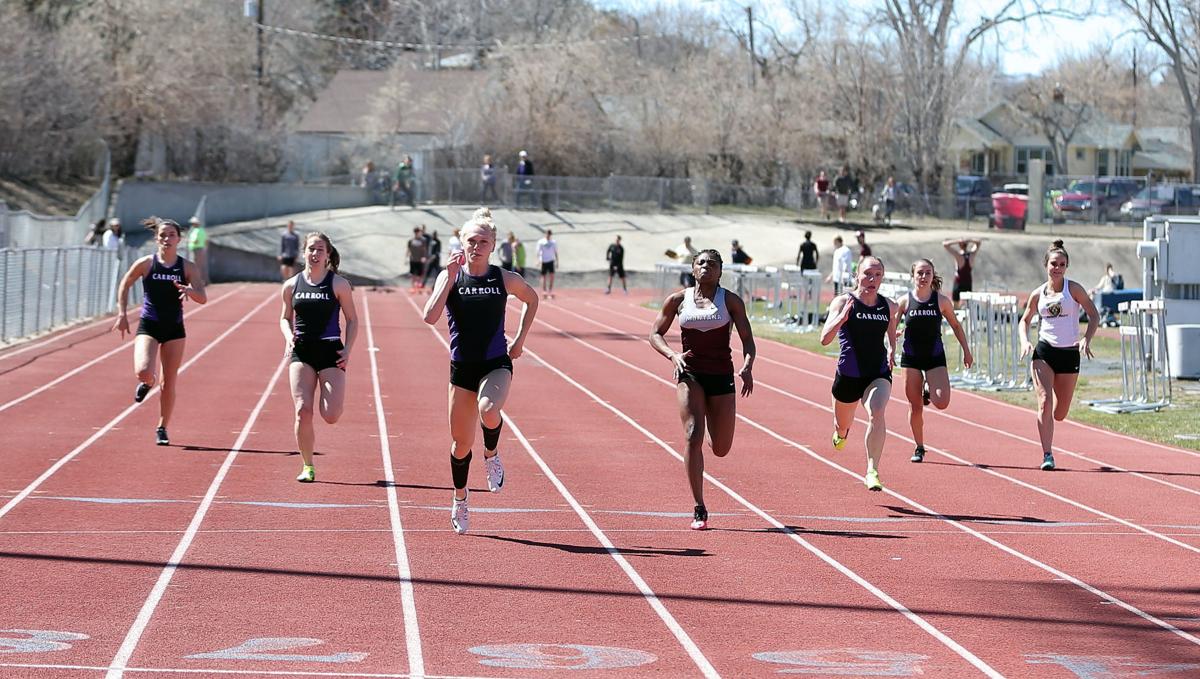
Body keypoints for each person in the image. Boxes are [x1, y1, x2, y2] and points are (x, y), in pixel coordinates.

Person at [422, 207, 540, 534]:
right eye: (471, 240)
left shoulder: (502, 278)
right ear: (461, 242)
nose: (477, 246)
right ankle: (460, 498)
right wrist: (446, 277)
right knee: (460, 445)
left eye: (483, 241)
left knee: (489, 409)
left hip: (495, 362)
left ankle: (492, 453)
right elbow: (429, 316)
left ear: (493, 245)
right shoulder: (450, 276)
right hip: (462, 369)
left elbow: (532, 299)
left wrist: (519, 340)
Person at [650, 249, 755, 530]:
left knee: (721, 448)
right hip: (690, 373)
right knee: (692, 435)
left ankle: (710, 422)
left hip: (721, 376)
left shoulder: (730, 301)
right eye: (701, 263)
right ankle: (699, 507)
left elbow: (747, 339)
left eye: (713, 263)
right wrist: (673, 356)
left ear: (721, 271)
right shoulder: (678, 300)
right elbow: (655, 333)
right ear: (693, 269)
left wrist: (747, 366)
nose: (706, 266)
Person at [112, 217, 207, 446]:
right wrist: (122, 313)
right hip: (150, 324)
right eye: (162, 235)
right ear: (156, 238)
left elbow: (202, 298)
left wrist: (189, 290)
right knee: (143, 371)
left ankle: (162, 427)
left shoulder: (187, 267)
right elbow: (126, 283)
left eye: (171, 235)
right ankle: (147, 382)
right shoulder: (147, 263)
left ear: (179, 239)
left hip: (174, 328)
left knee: (169, 383)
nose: (167, 239)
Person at [280, 232, 358, 483]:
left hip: (329, 351)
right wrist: (287, 336)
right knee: (303, 410)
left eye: (320, 250)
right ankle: (307, 465)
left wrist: (347, 349)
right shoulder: (291, 285)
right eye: (311, 249)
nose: (315, 254)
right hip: (301, 351)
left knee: (331, 415)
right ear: (304, 252)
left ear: (327, 254)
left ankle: (335, 398)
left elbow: (352, 319)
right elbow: (284, 317)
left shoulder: (338, 284)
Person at [1018, 240, 1100, 472]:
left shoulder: (1073, 289)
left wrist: (1086, 338)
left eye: (1062, 264)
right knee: (1043, 402)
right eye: (1054, 263)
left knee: (1060, 412)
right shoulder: (1038, 294)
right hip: (1044, 352)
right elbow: (1024, 320)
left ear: (1066, 267)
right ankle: (1047, 454)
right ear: (1046, 265)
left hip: (1069, 354)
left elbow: (1094, 315)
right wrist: (1025, 341)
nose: (1058, 268)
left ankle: (1052, 418)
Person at [820, 256, 898, 492]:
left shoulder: (889, 305)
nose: (872, 279)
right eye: (867, 274)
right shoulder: (843, 301)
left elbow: (891, 328)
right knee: (842, 425)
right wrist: (841, 319)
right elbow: (824, 339)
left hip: (878, 372)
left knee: (877, 411)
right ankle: (841, 432)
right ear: (857, 275)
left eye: (878, 275)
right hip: (849, 375)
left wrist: (893, 347)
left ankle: (872, 470)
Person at [898, 259, 973, 462]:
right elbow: (889, 327)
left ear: (933, 276)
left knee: (942, 402)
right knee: (915, 407)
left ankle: (929, 389)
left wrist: (966, 350)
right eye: (920, 273)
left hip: (934, 357)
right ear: (913, 276)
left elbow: (956, 326)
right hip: (911, 358)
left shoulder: (941, 301)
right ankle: (919, 447)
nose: (923, 277)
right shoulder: (904, 301)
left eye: (927, 273)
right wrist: (893, 336)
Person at [943, 237, 981, 307]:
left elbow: (945, 244)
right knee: (969, 304)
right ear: (967, 245)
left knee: (955, 305)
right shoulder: (972, 254)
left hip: (958, 282)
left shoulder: (958, 255)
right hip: (968, 282)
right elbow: (979, 242)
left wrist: (957, 240)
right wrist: (969, 240)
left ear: (959, 245)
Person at [536, 229, 558, 298]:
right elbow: (538, 252)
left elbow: (556, 252)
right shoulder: (541, 242)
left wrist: (557, 261)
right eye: (547, 234)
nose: (548, 235)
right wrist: (538, 260)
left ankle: (550, 290)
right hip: (544, 261)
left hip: (551, 260)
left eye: (549, 234)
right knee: (544, 276)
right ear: (545, 234)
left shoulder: (553, 242)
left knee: (552, 276)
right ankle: (544, 291)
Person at [187, 216, 208, 285]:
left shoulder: (197, 231)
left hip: (197, 249)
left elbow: (196, 241)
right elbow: (206, 241)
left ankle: (199, 281)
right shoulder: (201, 230)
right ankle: (203, 281)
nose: (192, 224)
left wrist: (189, 241)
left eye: (193, 223)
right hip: (199, 249)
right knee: (200, 265)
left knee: (197, 266)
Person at [407, 226, 428, 292]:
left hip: (420, 259)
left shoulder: (423, 240)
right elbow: (408, 249)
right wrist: (406, 257)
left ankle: (418, 287)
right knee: (413, 274)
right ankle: (413, 287)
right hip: (413, 259)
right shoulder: (411, 240)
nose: (419, 233)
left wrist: (424, 257)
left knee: (419, 274)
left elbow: (424, 249)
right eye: (418, 232)